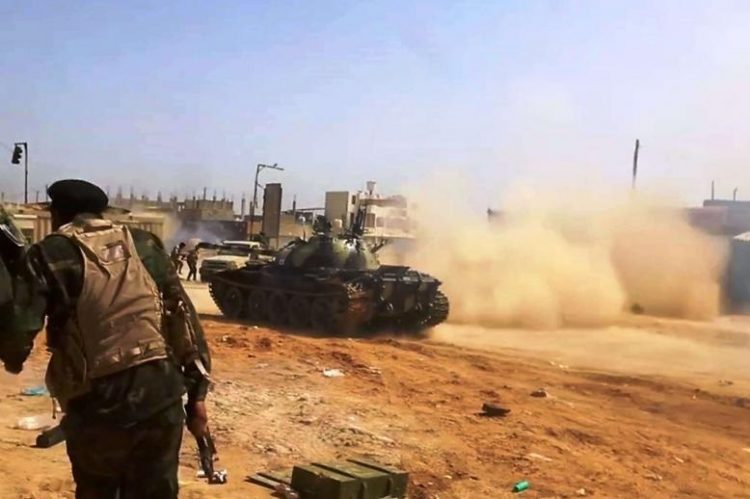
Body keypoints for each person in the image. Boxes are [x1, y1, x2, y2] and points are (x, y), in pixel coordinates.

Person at [0, 179, 212, 499]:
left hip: (97, 409)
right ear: (102, 212)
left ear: (58, 214)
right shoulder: (144, 244)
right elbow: (184, 320)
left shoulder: (49, 253)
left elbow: (18, 335)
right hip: (161, 400)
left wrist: (12, 356)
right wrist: (197, 396)